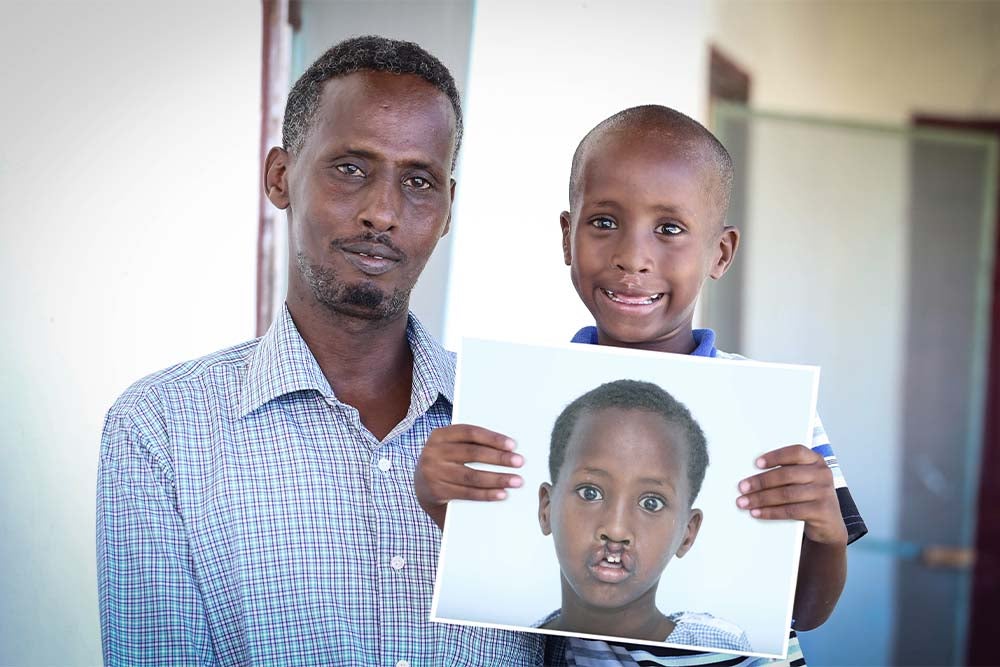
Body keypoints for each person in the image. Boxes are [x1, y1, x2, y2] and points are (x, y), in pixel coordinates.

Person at [97, 35, 543, 666]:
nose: (384, 212)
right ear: (281, 177)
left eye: (419, 181)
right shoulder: (161, 430)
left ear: (446, 211)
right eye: (351, 168)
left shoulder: (521, 425)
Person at [415, 105, 867, 667]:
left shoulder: (775, 414)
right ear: (566, 236)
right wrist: (440, 503)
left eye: (670, 229)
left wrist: (825, 533)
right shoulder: (524, 404)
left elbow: (808, 610)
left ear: (719, 252)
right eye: (604, 222)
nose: (633, 257)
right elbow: (504, 569)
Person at [534, 379, 751, 652]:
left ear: (688, 533)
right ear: (546, 508)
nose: (615, 530)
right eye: (590, 493)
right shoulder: (504, 645)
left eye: (651, 503)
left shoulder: (726, 650)